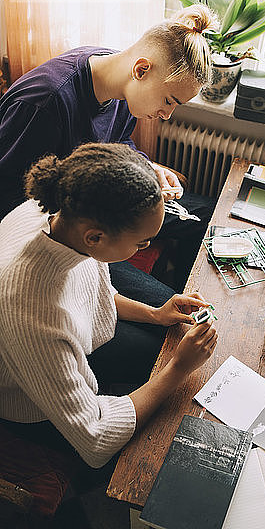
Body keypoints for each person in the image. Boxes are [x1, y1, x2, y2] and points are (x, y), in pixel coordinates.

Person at [0, 143, 217, 470]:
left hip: (49, 347)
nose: (144, 247)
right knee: (173, 391)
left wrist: (155, 315)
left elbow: (89, 292)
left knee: (161, 347)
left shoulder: (59, 214)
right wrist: (178, 369)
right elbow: (96, 436)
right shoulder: (33, 311)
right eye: (141, 242)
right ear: (95, 238)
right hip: (28, 402)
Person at [0, 3, 218, 290]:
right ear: (142, 69)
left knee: (209, 217)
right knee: (170, 306)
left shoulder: (124, 87)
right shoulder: (44, 105)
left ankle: (186, 283)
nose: (167, 115)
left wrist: (147, 168)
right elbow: (11, 205)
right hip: (68, 233)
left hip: (110, 203)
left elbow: (117, 143)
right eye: (168, 101)